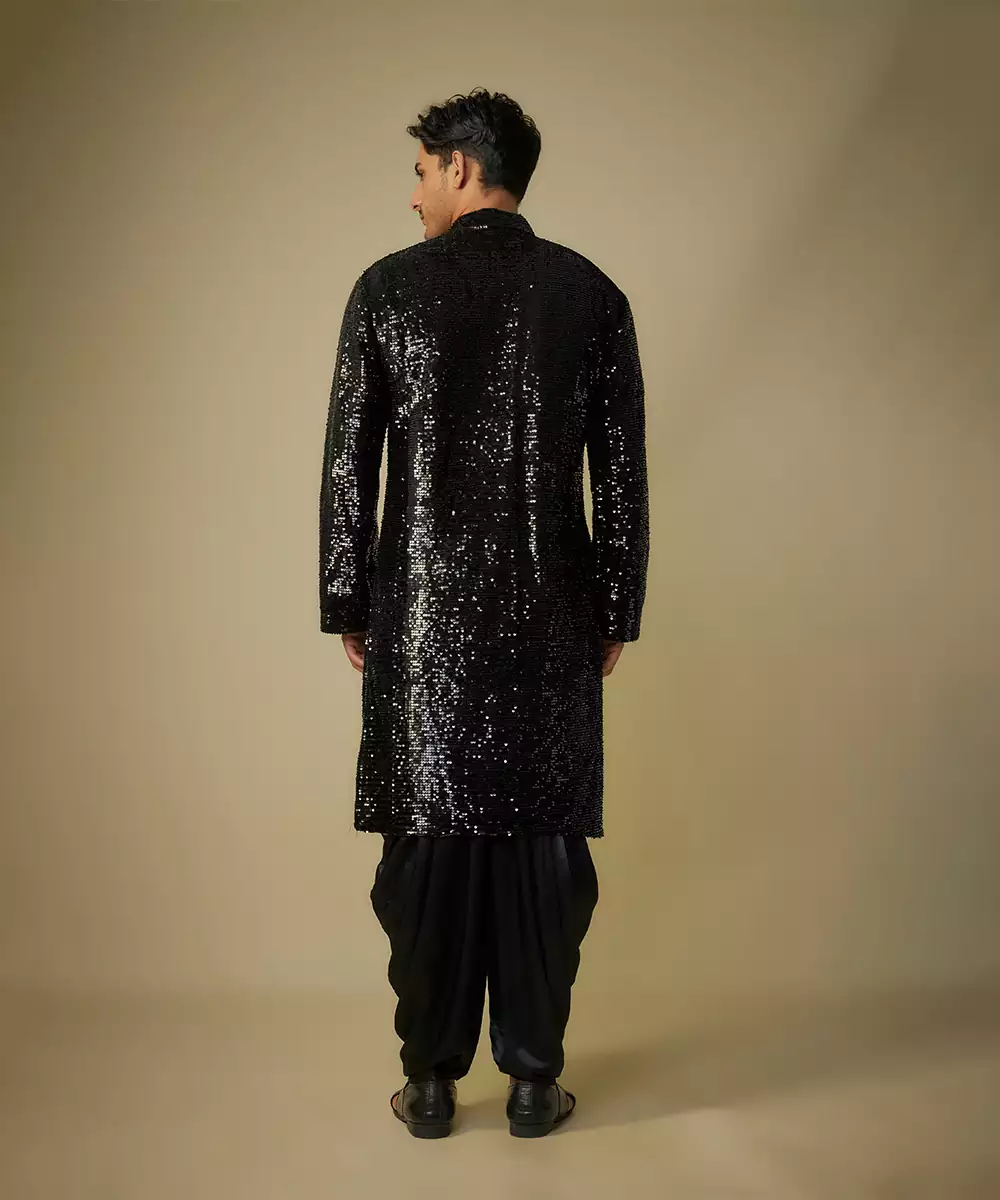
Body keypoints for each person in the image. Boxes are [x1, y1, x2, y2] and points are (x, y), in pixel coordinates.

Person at [318, 87, 649, 1138]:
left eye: (421, 171)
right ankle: (535, 1084)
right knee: (544, 849)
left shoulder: (386, 290)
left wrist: (347, 597)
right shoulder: (590, 295)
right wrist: (615, 607)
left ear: (461, 167)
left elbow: (349, 467)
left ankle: (427, 1083)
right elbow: (622, 477)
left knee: (426, 844)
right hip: (552, 616)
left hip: (419, 620)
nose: (414, 194)